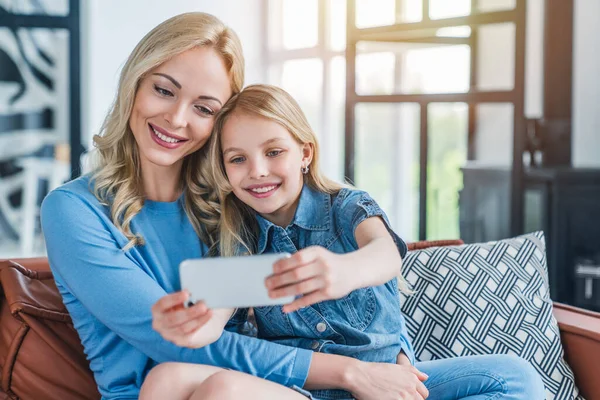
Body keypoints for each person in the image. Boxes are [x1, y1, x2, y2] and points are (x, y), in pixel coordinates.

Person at [40, 12, 432, 400]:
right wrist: (350, 372)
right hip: (167, 390)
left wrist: (394, 358)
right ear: (134, 84)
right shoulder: (73, 210)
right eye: (164, 90)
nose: (176, 119)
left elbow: (360, 280)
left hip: (260, 389)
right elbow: (182, 343)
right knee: (173, 379)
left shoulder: (236, 207)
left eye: (204, 108)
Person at [146, 84, 547, 400]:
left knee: (516, 376)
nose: (258, 171)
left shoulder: (346, 208)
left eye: (274, 152)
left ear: (304, 153)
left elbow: (386, 254)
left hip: (388, 384)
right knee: (165, 380)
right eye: (237, 159)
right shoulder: (237, 237)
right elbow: (212, 322)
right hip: (299, 389)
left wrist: (343, 270)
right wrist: (187, 324)